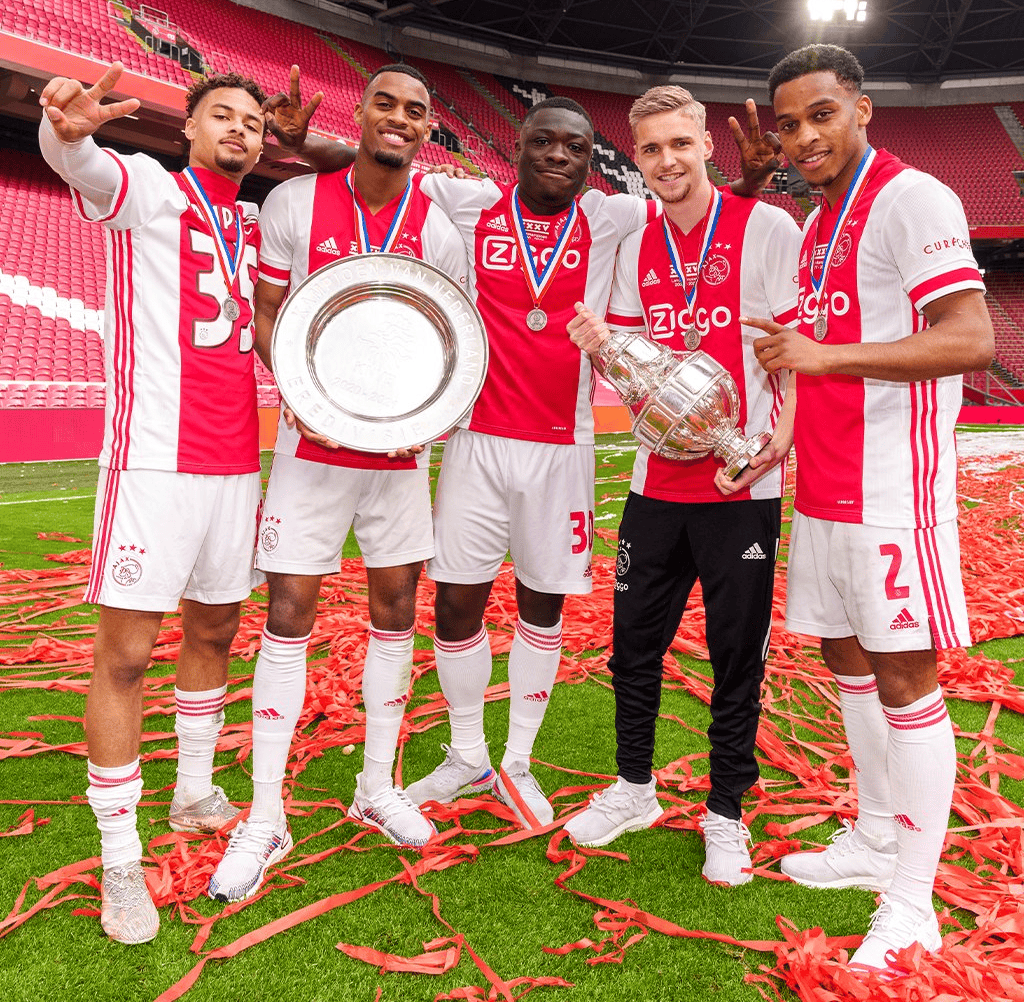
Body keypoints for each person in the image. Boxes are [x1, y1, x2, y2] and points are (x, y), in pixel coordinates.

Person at [274, 70, 781, 832]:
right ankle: (467, 753)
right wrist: (301, 144)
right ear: (516, 148)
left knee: (543, 605)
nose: (557, 156)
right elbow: (380, 163)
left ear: (590, 160)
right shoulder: (470, 203)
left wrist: (749, 181)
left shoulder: (612, 214)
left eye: (574, 147)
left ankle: (517, 760)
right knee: (456, 605)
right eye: (543, 141)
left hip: (561, 448)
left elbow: (691, 197)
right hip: (475, 439)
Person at [740, 44, 993, 971]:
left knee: (904, 676)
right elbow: (820, 349)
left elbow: (971, 338)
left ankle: (913, 901)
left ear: (862, 109)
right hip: (826, 481)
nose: (804, 137)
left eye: (821, 115)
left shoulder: (914, 197)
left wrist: (825, 358)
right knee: (845, 655)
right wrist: (787, 425)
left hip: (891, 488)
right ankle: (877, 836)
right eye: (790, 125)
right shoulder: (818, 224)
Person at [207, 63, 469, 903]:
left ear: (427, 129)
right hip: (311, 450)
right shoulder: (294, 203)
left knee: (396, 611)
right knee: (288, 615)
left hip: (398, 460)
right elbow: (267, 315)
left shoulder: (438, 227)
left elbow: (449, 343)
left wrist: (419, 417)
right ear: (359, 112)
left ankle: (376, 786)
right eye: (385, 103)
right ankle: (265, 814)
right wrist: (303, 392)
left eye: (416, 110)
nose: (400, 118)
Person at [38, 64, 268, 943]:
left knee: (215, 630)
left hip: (235, 464)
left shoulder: (253, 224)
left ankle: (195, 790)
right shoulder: (150, 189)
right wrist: (65, 130)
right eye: (222, 116)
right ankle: (120, 859)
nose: (239, 129)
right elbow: (81, 162)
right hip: (154, 464)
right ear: (189, 130)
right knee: (127, 657)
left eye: (252, 122)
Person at [561, 86, 802, 886]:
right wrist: (603, 346)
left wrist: (783, 439)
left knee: (736, 658)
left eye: (679, 143)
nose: (667, 160)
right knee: (634, 649)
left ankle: (726, 811)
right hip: (656, 486)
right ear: (636, 159)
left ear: (705, 145)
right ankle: (634, 787)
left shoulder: (767, 227)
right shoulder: (636, 245)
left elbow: (797, 346)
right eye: (651, 149)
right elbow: (637, 371)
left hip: (741, 486)